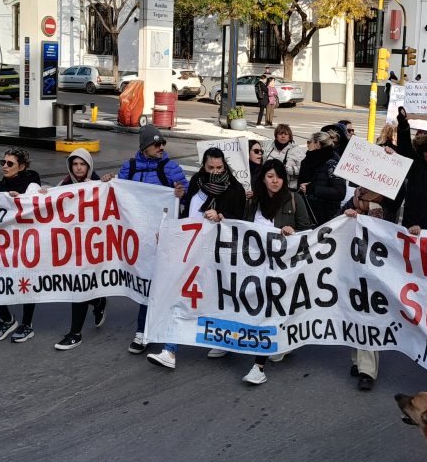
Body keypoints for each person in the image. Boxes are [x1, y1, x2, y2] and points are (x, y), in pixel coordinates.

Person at [215, 160, 313, 385]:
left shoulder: (294, 199)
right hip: (255, 266)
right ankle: (235, 340)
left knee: (268, 311)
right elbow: (240, 227)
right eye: (270, 176)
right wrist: (221, 219)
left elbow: (308, 232)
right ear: (263, 179)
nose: (275, 181)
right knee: (252, 307)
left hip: (281, 268)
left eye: (278, 176)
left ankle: (259, 366)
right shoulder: (254, 201)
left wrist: (293, 232)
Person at [148, 148, 246, 371]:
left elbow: (240, 224)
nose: (214, 172)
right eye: (210, 167)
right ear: (203, 166)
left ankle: (225, 339)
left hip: (216, 256)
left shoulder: (235, 190)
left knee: (216, 300)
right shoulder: (196, 183)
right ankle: (170, 350)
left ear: (225, 166)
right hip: (190, 252)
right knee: (182, 296)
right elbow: (186, 217)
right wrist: (171, 233)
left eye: (219, 168)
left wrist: (221, 217)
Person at [118, 125, 187, 355]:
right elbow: (118, 190)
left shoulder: (170, 168)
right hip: (138, 236)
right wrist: (109, 181)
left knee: (160, 283)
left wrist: (180, 193)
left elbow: (185, 192)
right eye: (156, 144)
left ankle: (148, 331)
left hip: (162, 236)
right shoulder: (131, 167)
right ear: (144, 147)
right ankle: (143, 331)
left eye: (163, 143)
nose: (161, 147)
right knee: (145, 281)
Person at [52, 148, 109, 350]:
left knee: (79, 288)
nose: (78, 168)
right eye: (75, 164)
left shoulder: (98, 184)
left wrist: (99, 187)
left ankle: (75, 333)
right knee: (76, 286)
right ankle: (99, 301)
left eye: (82, 164)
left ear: (88, 166)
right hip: (71, 246)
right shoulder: (64, 185)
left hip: (92, 247)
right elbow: (50, 205)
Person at [0, 148, 43, 343]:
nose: (5, 167)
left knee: (26, 284)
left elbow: (36, 209)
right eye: (3, 162)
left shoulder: (31, 185)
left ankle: (27, 325)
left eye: (10, 164)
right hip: (4, 243)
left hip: (25, 243)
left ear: (22, 166)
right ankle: (7, 319)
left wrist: (20, 200)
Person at [298, 131, 346, 224]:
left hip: (326, 215)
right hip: (307, 211)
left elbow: (340, 192)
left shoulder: (332, 162)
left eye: (309, 142)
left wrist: (312, 189)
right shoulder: (309, 159)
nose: (307, 145)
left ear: (317, 144)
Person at [267, 124, 304, 189]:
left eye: (286, 134)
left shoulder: (297, 150)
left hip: (289, 188)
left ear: (290, 137)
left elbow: (304, 168)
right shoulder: (269, 148)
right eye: (280, 134)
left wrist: (287, 169)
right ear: (276, 136)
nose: (283, 136)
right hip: (270, 187)